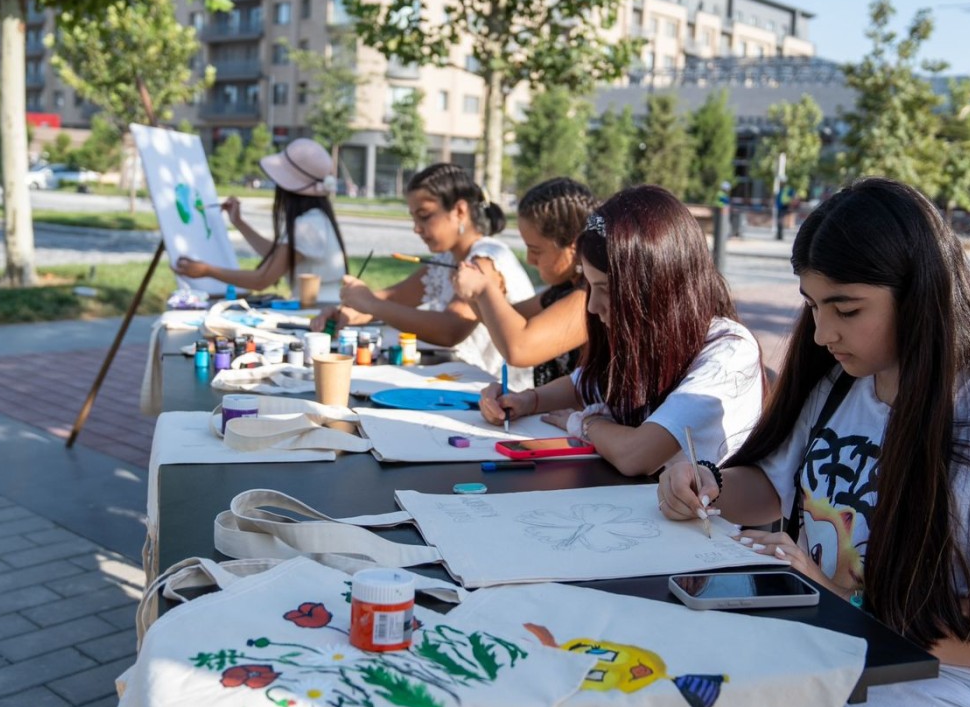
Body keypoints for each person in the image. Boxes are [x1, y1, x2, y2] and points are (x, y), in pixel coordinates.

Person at [658, 177, 970, 707]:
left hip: (967, 700)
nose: (824, 330)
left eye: (847, 308)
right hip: (840, 654)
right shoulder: (840, 385)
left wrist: (841, 597)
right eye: (813, 306)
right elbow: (767, 487)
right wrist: (710, 483)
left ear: (920, 295)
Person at [483, 184, 764, 476]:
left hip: (709, 521)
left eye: (605, 289)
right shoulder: (648, 331)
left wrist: (587, 424)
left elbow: (637, 455)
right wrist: (525, 400)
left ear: (655, 286)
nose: (592, 306)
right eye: (590, 287)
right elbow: (584, 384)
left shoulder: (729, 349)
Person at [314, 162, 535, 382]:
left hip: (502, 394)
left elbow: (450, 330)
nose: (416, 228)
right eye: (414, 217)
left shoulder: (485, 260)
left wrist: (371, 305)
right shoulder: (447, 258)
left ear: (459, 211)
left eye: (425, 215)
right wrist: (347, 311)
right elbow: (393, 298)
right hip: (465, 381)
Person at [452, 177, 597, 388]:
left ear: (574, 246)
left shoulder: (590, 297)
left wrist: (484, 289)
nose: (530, 260)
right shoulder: (563, 289)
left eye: (536, 250)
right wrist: (472, 294)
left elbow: (519, 349)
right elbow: (503, 322)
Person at [174, 138, 348, 300]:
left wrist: (207, 270)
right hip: (319, 306)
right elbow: (276, 255)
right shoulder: (316, 217)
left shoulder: (307, 225)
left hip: (317, 310)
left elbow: (261, 280)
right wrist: (239, 223)